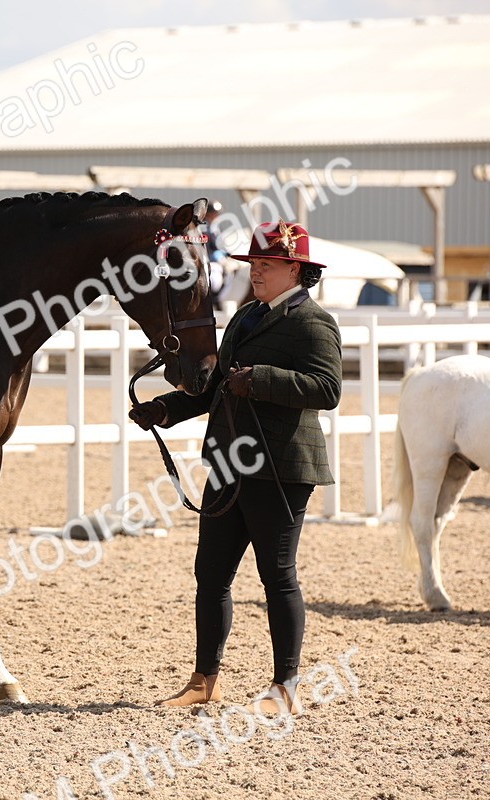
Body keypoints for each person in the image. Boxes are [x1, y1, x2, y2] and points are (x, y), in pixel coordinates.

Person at [130, 220, 342, 716]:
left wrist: (263, 379)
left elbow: (327, 389)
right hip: (229, 463)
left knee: (278, 576)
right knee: (211, 573)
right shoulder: (245, 317)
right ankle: (205, 679)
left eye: (266, 266)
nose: (257, 273)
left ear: (295, 269)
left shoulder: (313, 322)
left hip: (281, 468)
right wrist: (164, 408)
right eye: (254, 265)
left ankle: (285, 687)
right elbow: (216, 388)